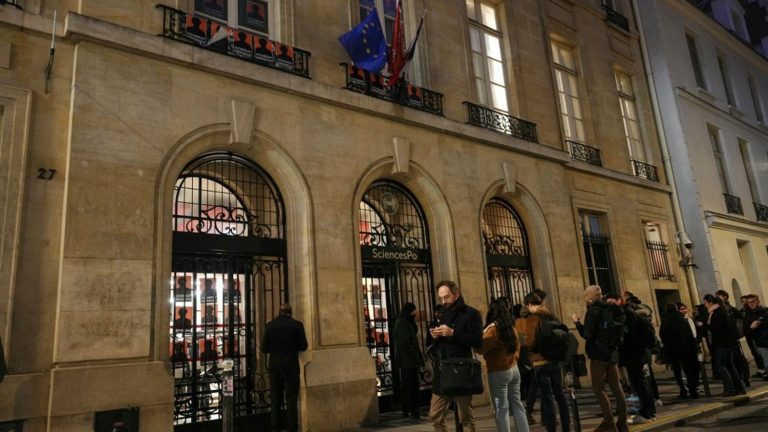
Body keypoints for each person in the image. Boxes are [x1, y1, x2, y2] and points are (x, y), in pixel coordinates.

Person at [428, 280, 482, 432]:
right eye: (441, 298)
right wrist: (434, 335)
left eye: (446, 297)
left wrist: (452, 333)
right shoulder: (442, 313)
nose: (444, 301)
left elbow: (477, 340)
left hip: (461, 369)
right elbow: (434, 341)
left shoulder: (471, 313)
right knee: (435, 414)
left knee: (466, 417)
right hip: (443, 369)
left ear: (456, 294)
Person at [573, 285, 628, 432]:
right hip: (613, 354)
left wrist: (577, 323)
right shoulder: (611, 308)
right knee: (617, 387)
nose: (585, 298)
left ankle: (609, 424)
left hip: (598, 355)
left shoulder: (593, 311)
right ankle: (622, 423)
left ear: (590, 297)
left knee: (598, 388)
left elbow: (587, 334)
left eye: (586, 295)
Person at [516, 292, 569, 432]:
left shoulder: (534, 318)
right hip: (555, 361)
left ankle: (551, 429)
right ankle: (567, 427)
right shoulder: (551, 315)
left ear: (529, 305)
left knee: (547, 397)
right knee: (560, 395)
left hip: (540, 363)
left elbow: (529, 342)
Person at [477, 298, 530, 432]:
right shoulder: (510, 326)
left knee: (501, 408)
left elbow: (480, 348)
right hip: (514, 368)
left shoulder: (493, 329)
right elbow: (518, 347)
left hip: (498, 370)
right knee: (517, 405)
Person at [606, 293, 655, 424]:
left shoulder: (627, 313)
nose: (611, 306)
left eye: (612, 303)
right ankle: (650, 410)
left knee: (639, 383)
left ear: (619, 301)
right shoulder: (628, 311)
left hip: (634, 353)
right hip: (636, 353)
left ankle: (646, 412)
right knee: (641, 382)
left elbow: (629, 333)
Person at [262, 303, 308, 432]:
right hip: (291, 367)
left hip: (275, 367)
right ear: (291, 312)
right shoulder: (297, 325)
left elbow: (264, 348)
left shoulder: (270, 326)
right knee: (291, 400)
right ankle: (292, 428)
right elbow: (303, 346)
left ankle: (275, 427)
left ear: (279, 312)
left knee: (275, 400)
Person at [703, 294, 746, 396]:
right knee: (729, 365)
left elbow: (717, 328)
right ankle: (739, 388)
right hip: (727, 343)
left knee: (721, 366)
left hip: (722, 343)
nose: (705, 305)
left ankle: (730, 389)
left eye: (705, 303)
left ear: (710, 303)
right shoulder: (720, 311)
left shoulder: (717, 313)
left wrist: (705, 325)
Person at [660, 303, 701, 399]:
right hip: (686, 348)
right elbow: (689, 334)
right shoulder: (682, 318)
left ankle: (683, 389)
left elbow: (663, 335)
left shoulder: (665, 320)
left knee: (677, 370)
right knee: (688, 369)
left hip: (673, 349)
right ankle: (693, 389)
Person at [394, 302, 424, 419]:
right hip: (407, 361)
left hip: (411, 360)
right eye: (413, 311)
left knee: (413, 385)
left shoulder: (407, 322)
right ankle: (409, 409)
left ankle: (413, 409)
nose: (414, 314)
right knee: (409, 386)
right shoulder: (402, 322)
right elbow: (404, 342)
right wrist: (412, 353)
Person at [744, 295, 768, 380]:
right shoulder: (747, 315)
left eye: (753, 301)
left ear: (758, 301)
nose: (751, 304)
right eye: (749, 302)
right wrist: (751, 328)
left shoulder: (765, 311)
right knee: (766, 360)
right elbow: (746, 331)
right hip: (760, 341)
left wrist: (760, 322)